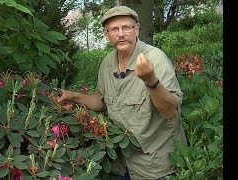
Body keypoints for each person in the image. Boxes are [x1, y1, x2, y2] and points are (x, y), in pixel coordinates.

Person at [56, 5, 188, 180]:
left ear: (137, 30)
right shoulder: (107, 63)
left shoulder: (156, 60)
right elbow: (102, 101)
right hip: (122, 162)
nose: (121, 33)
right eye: (114, 29)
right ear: (106, 34)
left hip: (155, 167)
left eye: (126, 27)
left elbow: (170, 110)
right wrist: (72, 96)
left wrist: (150, 80)